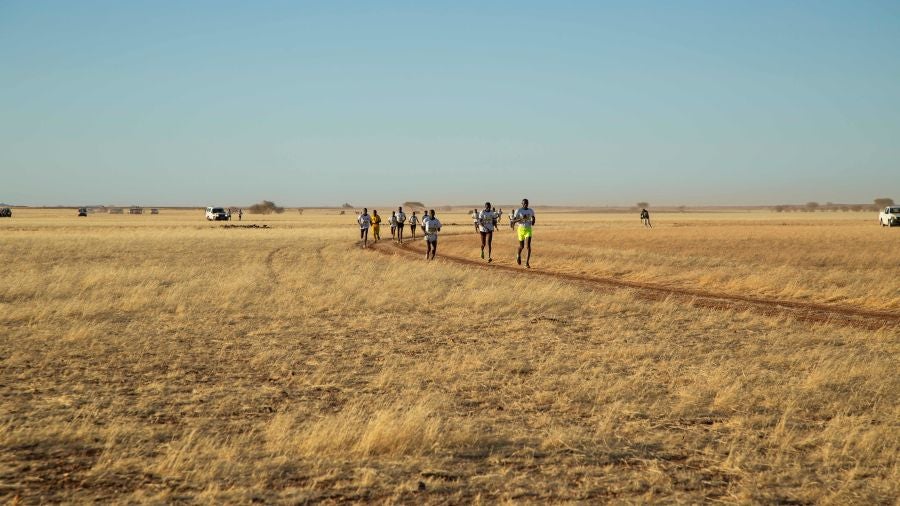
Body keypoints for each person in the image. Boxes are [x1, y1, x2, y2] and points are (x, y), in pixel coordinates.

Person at [510, 198, 535, 268]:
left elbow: (533, 222)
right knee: (522, 246)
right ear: (522, 204)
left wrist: (533, 220)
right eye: (524, 203)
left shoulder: (531, 211)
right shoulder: (518, 211)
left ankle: (527, 263)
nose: (525, 204)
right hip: (520, 229)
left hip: (528, 229)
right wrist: (521, 218)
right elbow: (513, 221)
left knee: (528, 246)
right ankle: (518, 255)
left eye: (527, 203)